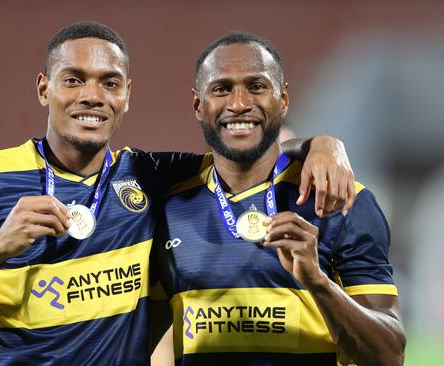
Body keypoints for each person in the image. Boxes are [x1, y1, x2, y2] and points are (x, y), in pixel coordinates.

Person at [0, 22, 354, 365]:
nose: (92, 96)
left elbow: (245, 146)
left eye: (108, 83)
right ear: (43, 89)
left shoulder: (152, 177)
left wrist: (319, 145)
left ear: (126, 95)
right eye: (73, 80)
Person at [149, 32, 407, 365]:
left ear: (283, 100)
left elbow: (389, 355)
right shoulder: (168, 204)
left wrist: (316, 280)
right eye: (221, 88)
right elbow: (137, 341)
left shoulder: (343, 200)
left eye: (256, 86)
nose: (239, 103)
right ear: (199, 105)